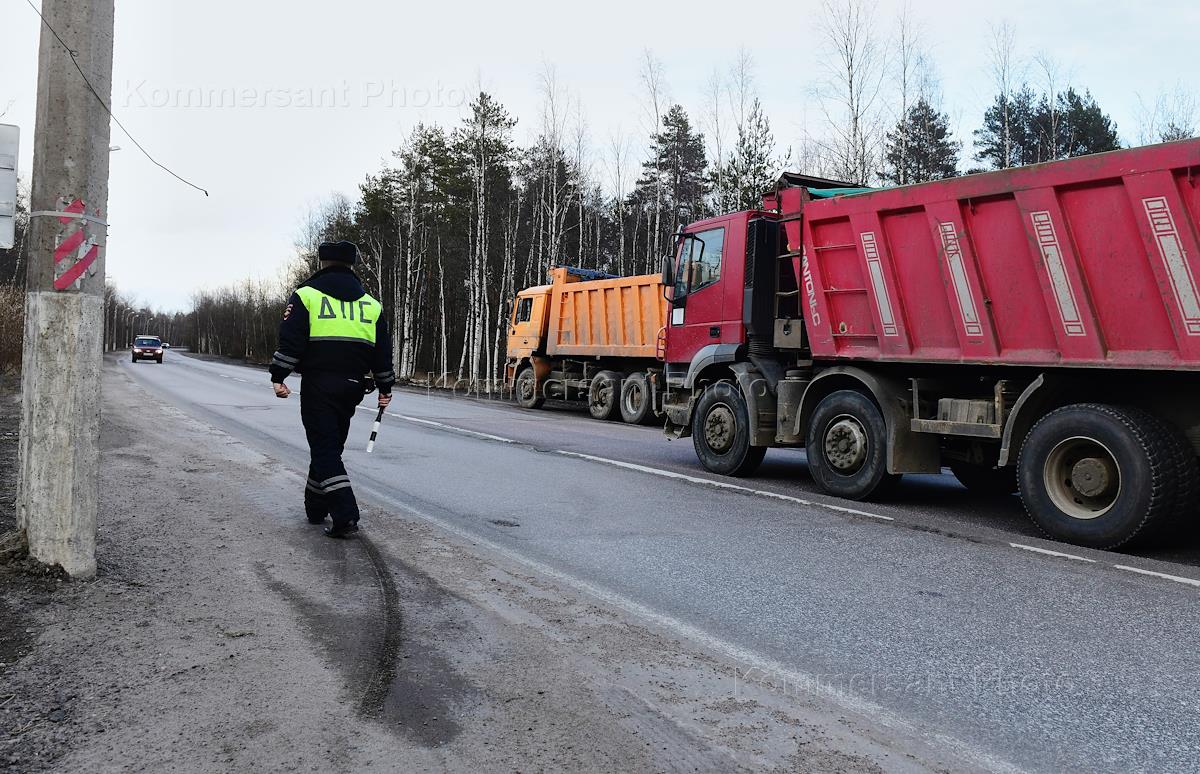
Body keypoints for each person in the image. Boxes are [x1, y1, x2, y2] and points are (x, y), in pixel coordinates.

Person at [269, 240, 395, 538]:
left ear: (322, 263)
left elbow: (292, 340)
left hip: (319, 384)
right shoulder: (371, 304)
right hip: (353, 386)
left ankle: (345, 515)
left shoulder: (306, 295)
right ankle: (315, 508)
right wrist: (385, 385)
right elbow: (382, 351)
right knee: (329, 447)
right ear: (352, 265)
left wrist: (279, 375)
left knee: (325, 449)